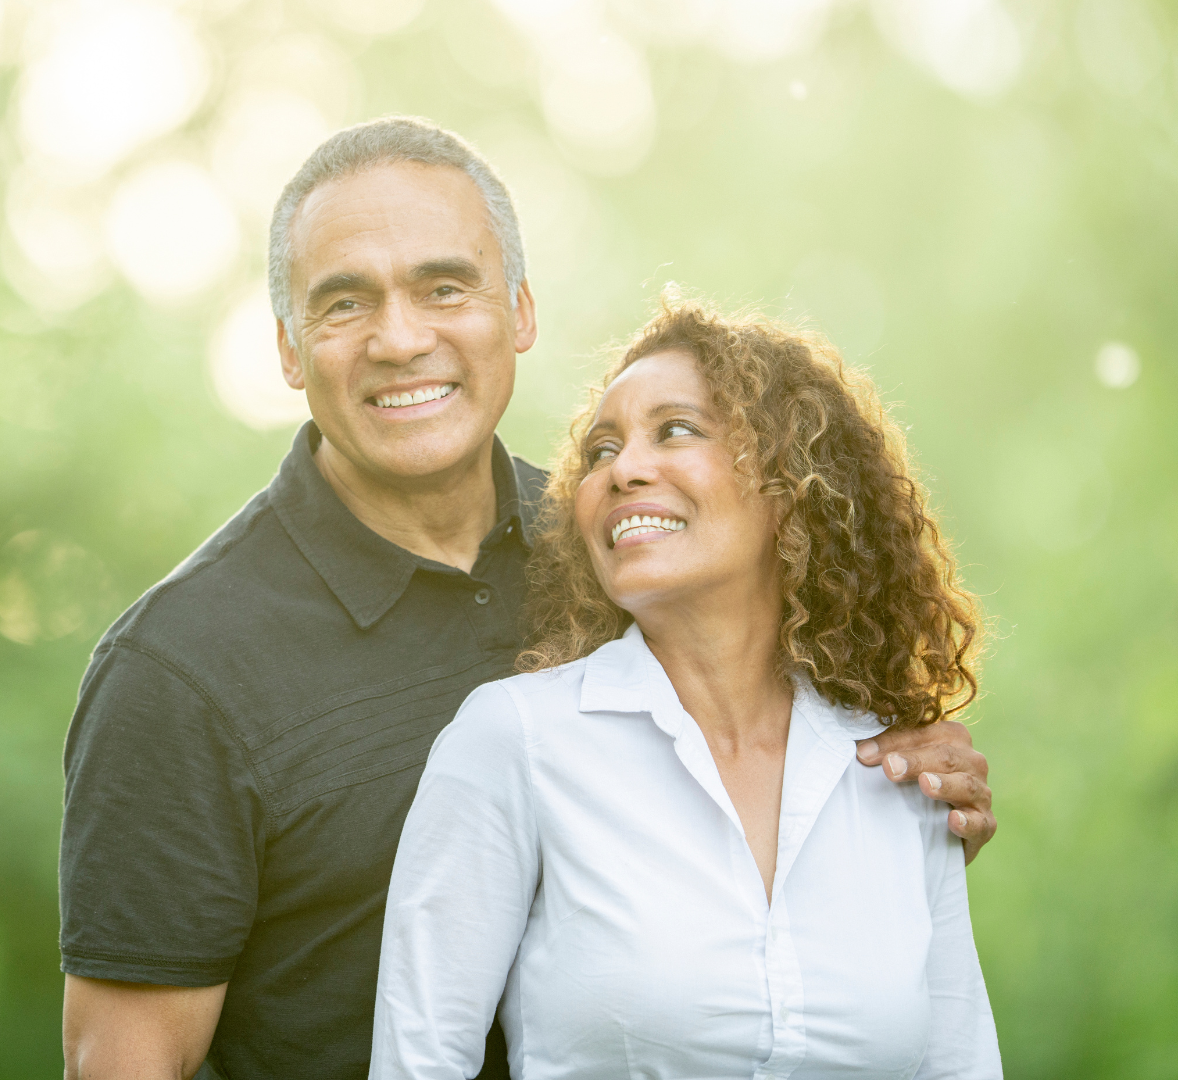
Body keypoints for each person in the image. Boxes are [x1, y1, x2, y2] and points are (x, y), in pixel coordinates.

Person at [59, 117, 998, 1080]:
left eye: (444, 287)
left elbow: (784, 793)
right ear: (292, 351)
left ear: (520, 313)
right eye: (344, 304)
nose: (400, 337)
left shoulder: (642, 555)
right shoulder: (180, 671)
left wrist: (901, 801)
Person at [371, 301, 1000, 1078]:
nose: (622, 469)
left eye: (676, 430)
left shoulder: (898, 774)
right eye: (602, 450)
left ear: (790, 486)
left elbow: (961, 1063)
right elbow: (418, 1061)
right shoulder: (517, 740)